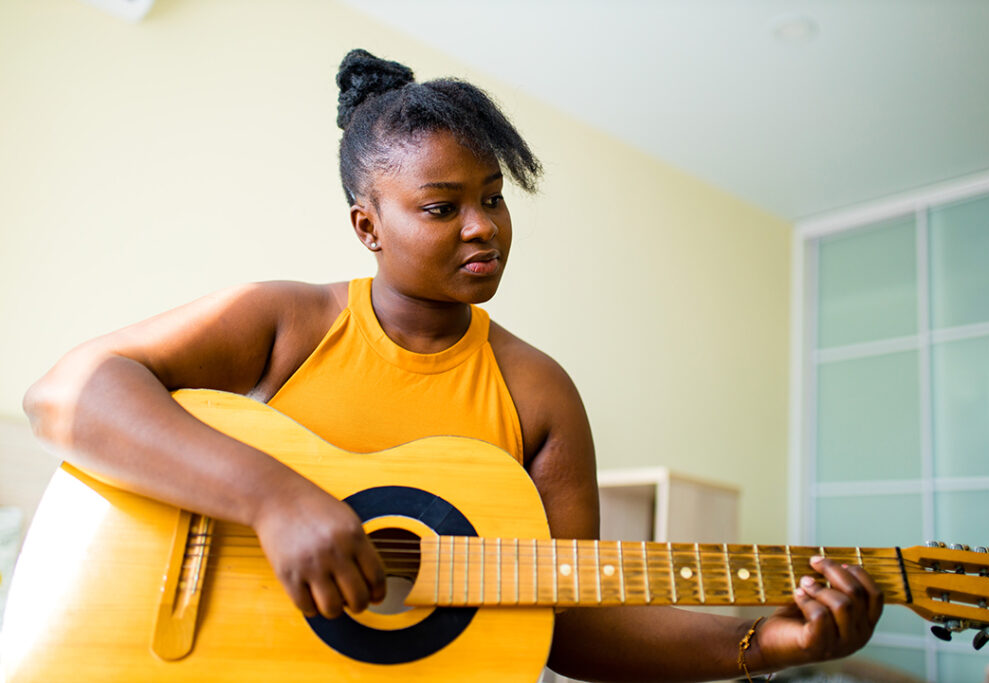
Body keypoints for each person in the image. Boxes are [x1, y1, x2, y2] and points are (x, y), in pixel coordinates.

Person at [23, 49, 882, 681]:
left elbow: (567, 620)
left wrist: (763, 643)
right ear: (368, 226)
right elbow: (65, 393)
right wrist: (276, 499)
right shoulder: (285, 320)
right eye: (442, 207)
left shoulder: (540, 392)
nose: (484, 227)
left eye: (494, 196)